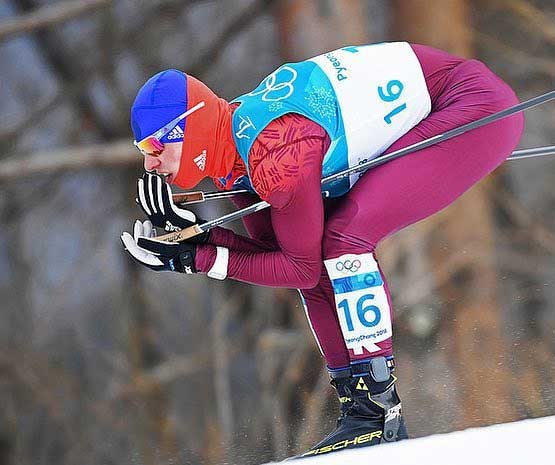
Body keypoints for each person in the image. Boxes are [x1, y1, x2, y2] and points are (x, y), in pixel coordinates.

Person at [121, 42, 524, 457]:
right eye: (143, 152)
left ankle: (379, 412)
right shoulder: (233, 154)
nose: (150, 164)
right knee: (321, 248)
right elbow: (275, 253)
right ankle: (359, 409)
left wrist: (199, 258)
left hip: (473, 106)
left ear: (191, 130)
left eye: (154, 147)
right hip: (441, 101)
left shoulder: (274, 149)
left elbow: (299, 268)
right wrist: (200, 239)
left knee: (342, 239)